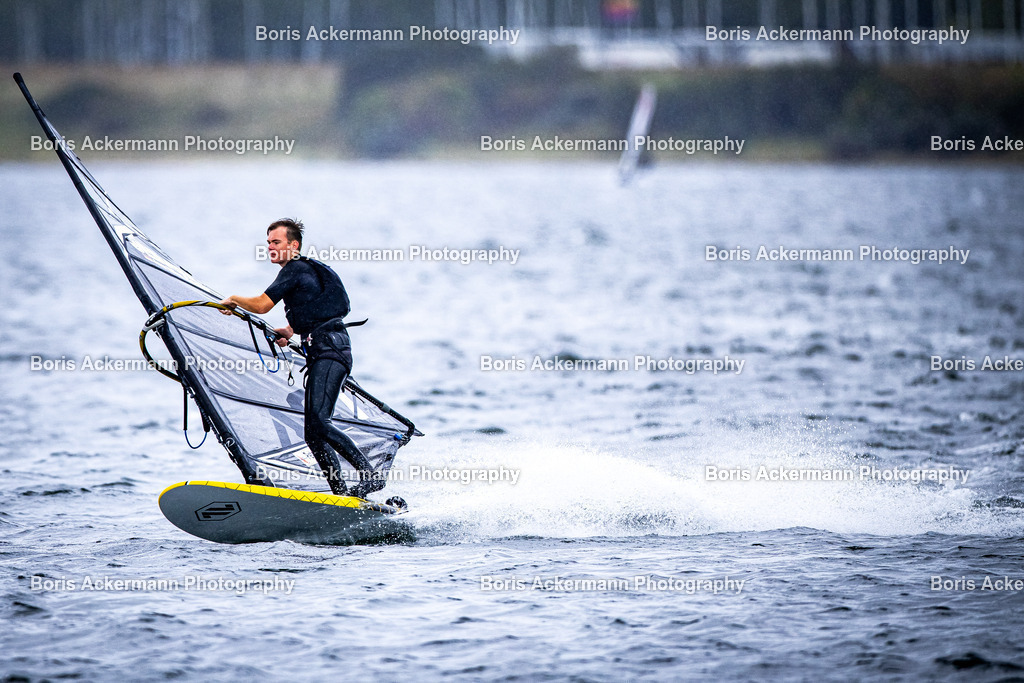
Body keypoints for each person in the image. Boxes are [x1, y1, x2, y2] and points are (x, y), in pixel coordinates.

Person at [219, 218, 384, 499]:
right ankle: (341, 493)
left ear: (293, 245)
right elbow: (317, 309)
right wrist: (290, 330)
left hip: (331, 354)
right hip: (328, 351)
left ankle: (370, 477)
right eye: (268, 242)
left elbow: (260, 305)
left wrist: (234, 299)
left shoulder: (294, 269)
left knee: (320, 423)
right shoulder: (304, 272)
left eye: (276, 242)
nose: (270, 247)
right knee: (313, 432)